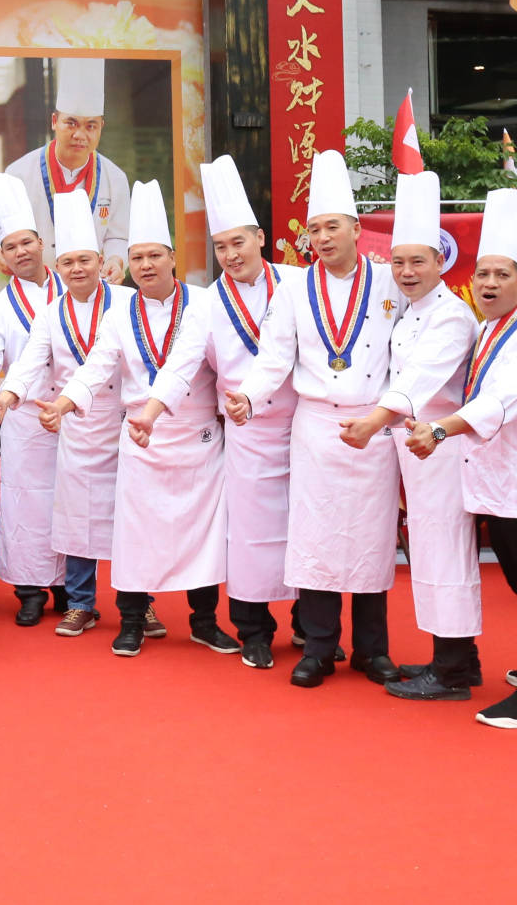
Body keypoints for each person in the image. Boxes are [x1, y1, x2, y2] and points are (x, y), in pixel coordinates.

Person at [407, 189, 517, 730]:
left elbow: (497, 400)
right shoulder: (488, 328)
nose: (488, 284)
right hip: (497, 484)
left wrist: (438, 428)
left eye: (500, 275)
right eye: (482, 274)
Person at [230, 150, 405, 688]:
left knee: (374, 541)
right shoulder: (292, 289)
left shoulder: (387, 283)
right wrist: (250, 397)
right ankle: (320, 647)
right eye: (314, 230)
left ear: (356, 228)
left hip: (373, 428)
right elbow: (274, 356)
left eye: (332, 226)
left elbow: (406, 351)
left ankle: (373, 651)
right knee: (316, 540)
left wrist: (386, 415)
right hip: (314, 429)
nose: (322, 238)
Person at [45, 180, 235, 659]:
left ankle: (205, 623)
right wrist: (65, 403)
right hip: (140, 439)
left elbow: (187, 360)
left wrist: (154, 411)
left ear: (172, 257)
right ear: (128, 263)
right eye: (138, 257)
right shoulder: (119, 310)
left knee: (203, 537)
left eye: (155, 256)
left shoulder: (203, 302)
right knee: (133, 535)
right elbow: (97, 365)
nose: (146, 266)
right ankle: (130, 621)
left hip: (196, 439)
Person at [128, 155, 299, 667]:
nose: (229, 255)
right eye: (220, 246)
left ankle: (316, 631)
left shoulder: (296, 283)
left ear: (260, 238)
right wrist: (151, 411)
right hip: (244, 431)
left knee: (306, 529)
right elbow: (181, 366)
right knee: (247, 534)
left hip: (302, 425)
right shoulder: (205, 303)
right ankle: (255, 632)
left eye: (237, 243)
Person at [337, 172, 483, 701]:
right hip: (415, 453)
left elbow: (419, 382)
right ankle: (461, 658)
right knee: (431, 550)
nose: (406, 272)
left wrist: (374, 422)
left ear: (441, 261)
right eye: (398, 262)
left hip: (441, 449)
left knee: (444, 552)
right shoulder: (408, 313)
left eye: (418, 261)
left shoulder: (451, 316)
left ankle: (451, 672)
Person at [0, 190, 119, 636]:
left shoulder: (122, 302)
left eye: (85, 260)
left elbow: (109, 359)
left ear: (101, 261)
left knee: (129, 514)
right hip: (66, 422)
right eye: (70, 262)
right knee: (73, 512)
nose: (77, 269)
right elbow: (29, 360)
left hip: (118, 422)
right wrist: (7, 396)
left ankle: (138, 602)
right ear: (59, 267)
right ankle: (75, 600)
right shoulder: (51, 312)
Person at [0, 173, 66, 625]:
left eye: (27, 242)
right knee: (23, 500)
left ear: (41, 242)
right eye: (10, 247)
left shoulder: (73, 291)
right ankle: (31, 590)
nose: (21, 252)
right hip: (23, 418)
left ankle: (73, 589)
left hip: (71, 415)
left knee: (69, 499)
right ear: (2, 256)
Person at [4, 57, 131, 281]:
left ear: (101, 127)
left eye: (91, 125)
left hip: (92, 289)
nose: (80, 135)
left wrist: (116, 260)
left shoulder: (115, 178)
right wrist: (1, 255)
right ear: (54, 121)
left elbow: (119, 237)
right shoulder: (18, 174)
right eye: (71, 123)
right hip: (36, 289)